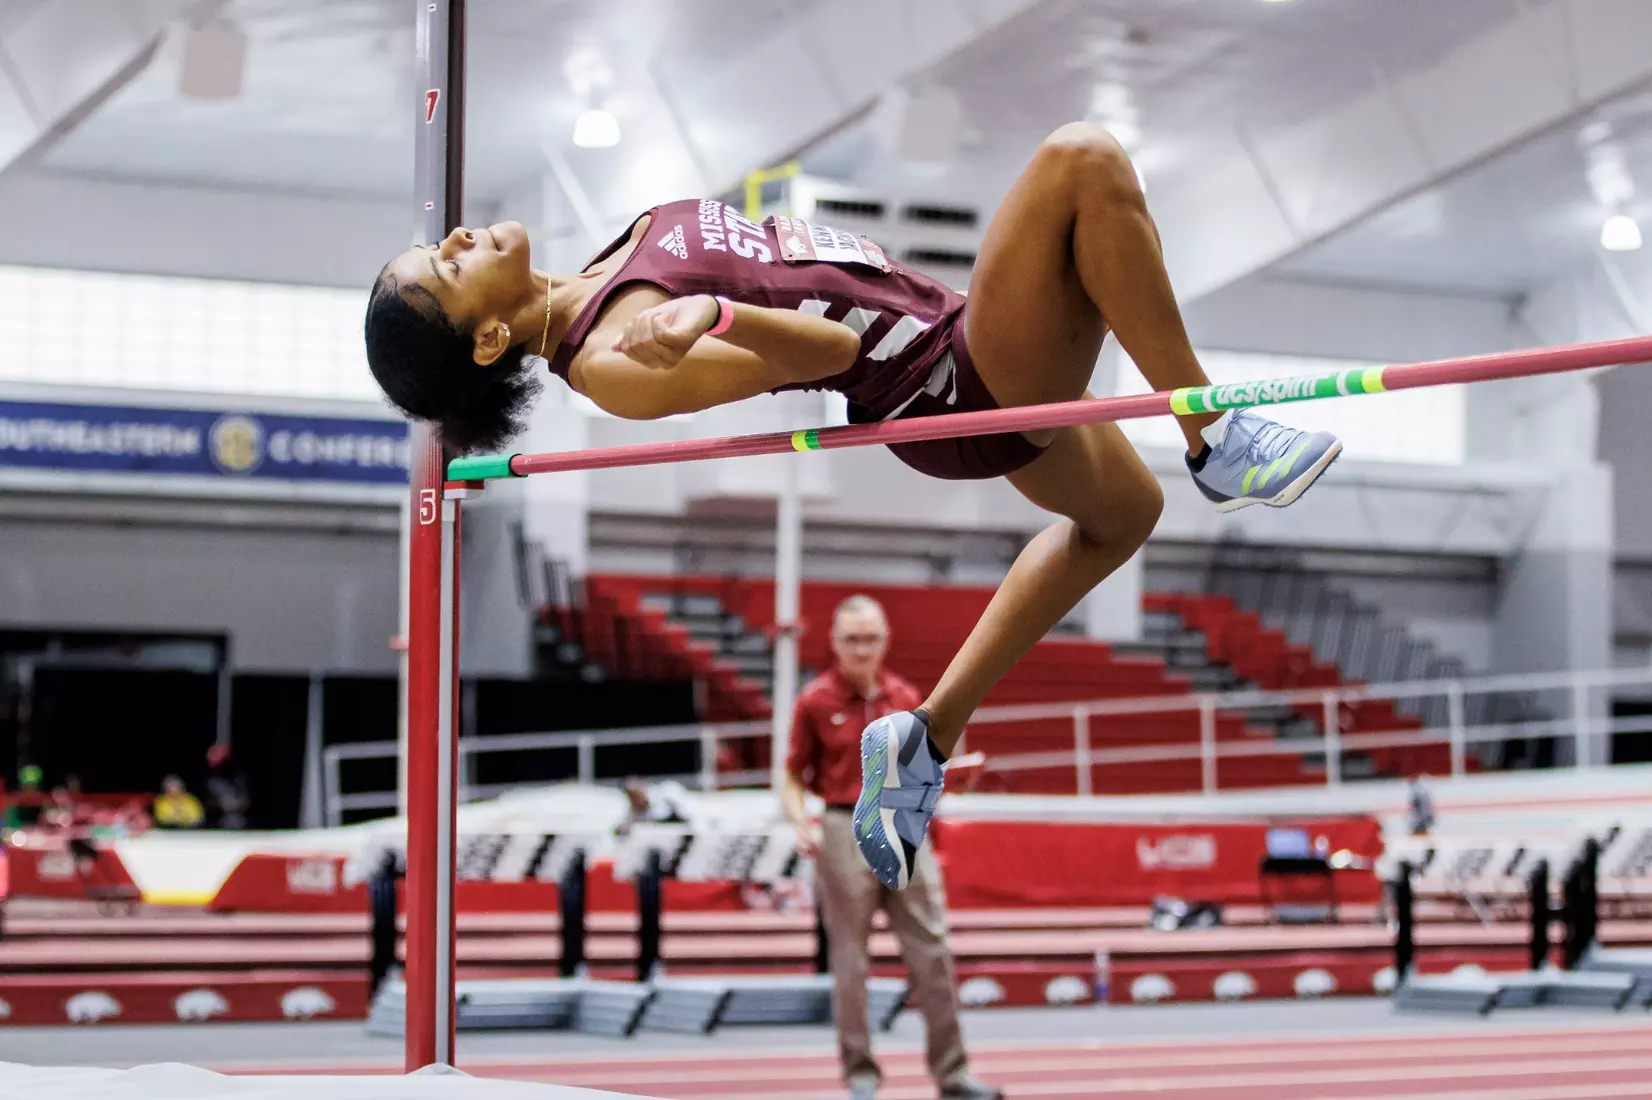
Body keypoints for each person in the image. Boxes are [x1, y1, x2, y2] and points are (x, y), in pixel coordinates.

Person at [365, 123, 1342, 890]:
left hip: (952, 330)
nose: (455, 237)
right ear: (488, 338)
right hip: (951, 379)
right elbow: (833, 356)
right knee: (1080, 161)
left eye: (437, 245)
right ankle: (1214, 433)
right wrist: (717, 317)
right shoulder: (616, 361)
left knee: (1122, 515)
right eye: (446, 270)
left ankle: (923, 736)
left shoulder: (604, 264)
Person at [782, 595, 998, 1100]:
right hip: (841, 827)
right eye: (852, 639)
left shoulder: (905, 697)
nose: (861, 649)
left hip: (903, 825)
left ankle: (953, 1074)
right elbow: (793, 776)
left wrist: (948, 782)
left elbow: (924, 769)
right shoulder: (814, 701)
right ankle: (860, 1074)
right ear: (834, 642)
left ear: (885, 641)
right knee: (850, 960)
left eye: (871, 639)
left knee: (933, 949)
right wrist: (800, 823)